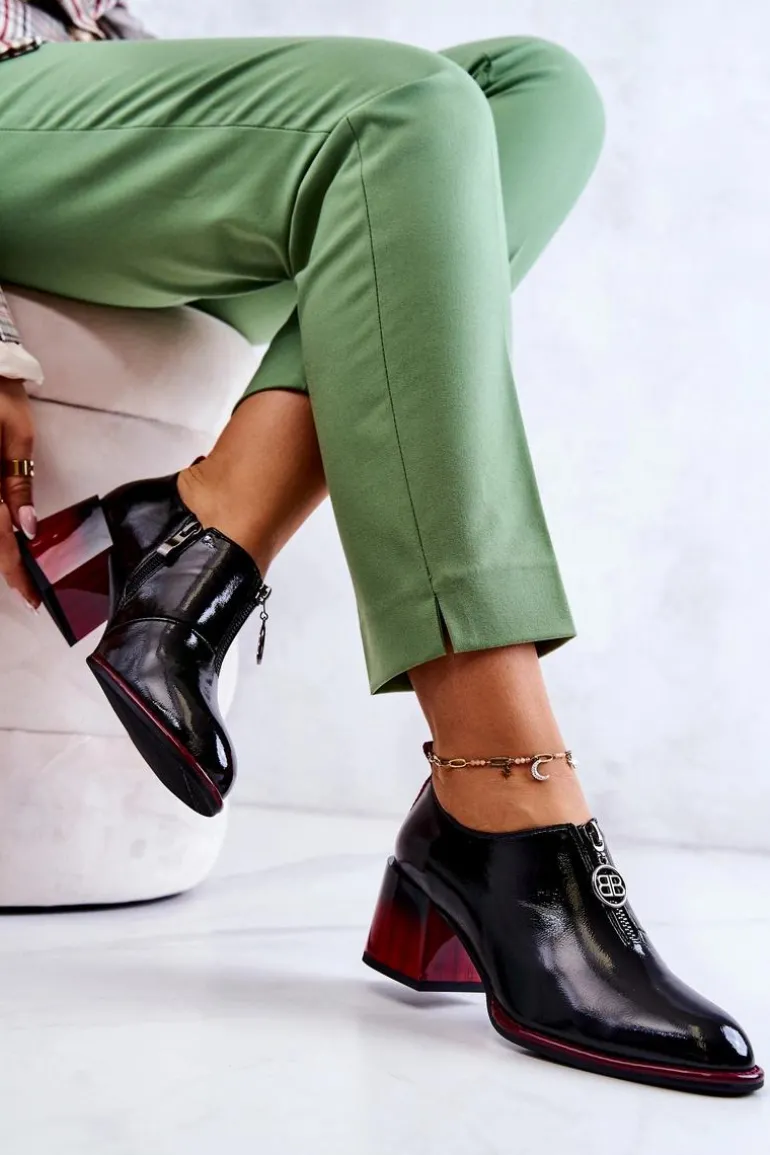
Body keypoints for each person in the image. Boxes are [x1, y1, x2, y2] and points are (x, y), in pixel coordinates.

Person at [0, 1, 762, 1095]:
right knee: (399, 109)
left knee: (533, 91)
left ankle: (202, 532)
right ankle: (502, 786)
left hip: (96, 103)